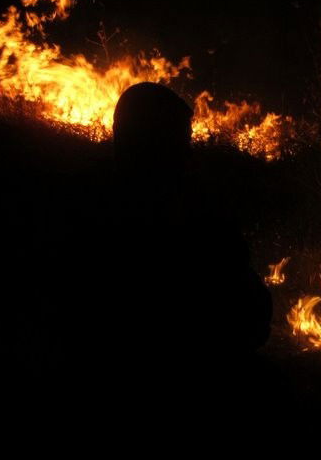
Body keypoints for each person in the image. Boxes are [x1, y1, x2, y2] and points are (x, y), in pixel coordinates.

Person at [103, 82, 272, 393]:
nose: (188, 151)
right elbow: (248, 312)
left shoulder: (95, 205)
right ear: (154, 144)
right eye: (180, 140)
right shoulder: (190, 221)